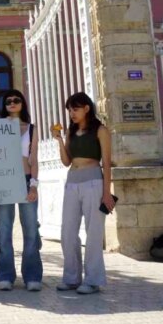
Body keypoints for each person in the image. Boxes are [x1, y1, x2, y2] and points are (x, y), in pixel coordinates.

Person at [51, 92, 114, 294]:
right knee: (67, 232)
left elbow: (106, 163)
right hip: (72, 181)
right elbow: (66, 161)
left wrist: (107, 192)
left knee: (93, 232)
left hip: (94, 180)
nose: (72, 113)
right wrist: (59, 140)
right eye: (69, 109)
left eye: (75, 109)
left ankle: (93, 280)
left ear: (86, 108)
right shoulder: (71, 131)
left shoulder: (100, 130)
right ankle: (71, 278)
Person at [0, 89, 43, 291]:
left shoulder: (31, 129)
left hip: (24, 179)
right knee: (4, 229)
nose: (12, 103)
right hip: (5, 180)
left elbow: (33, 159)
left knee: (31, 228)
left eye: (16, 100)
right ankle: (5, 274)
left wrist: (33, 185)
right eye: (8, 101)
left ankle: (32, 275)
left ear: (22, 103)